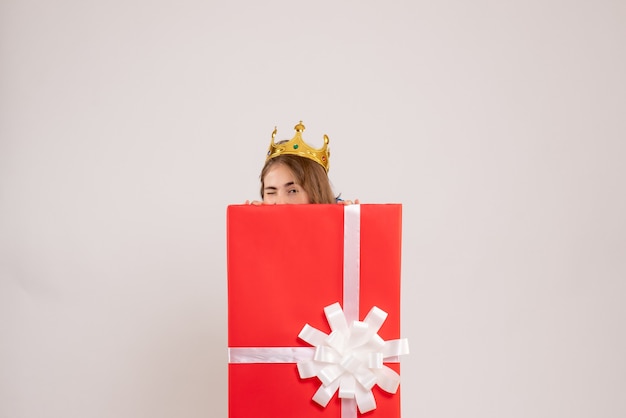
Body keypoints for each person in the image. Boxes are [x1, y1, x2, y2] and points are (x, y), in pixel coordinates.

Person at [246, 121, 358, 205]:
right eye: (271, 193)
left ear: (316, 192)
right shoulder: (258, 230)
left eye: (293, 191)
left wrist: (351, 226)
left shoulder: (345, 230)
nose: (280, 203)